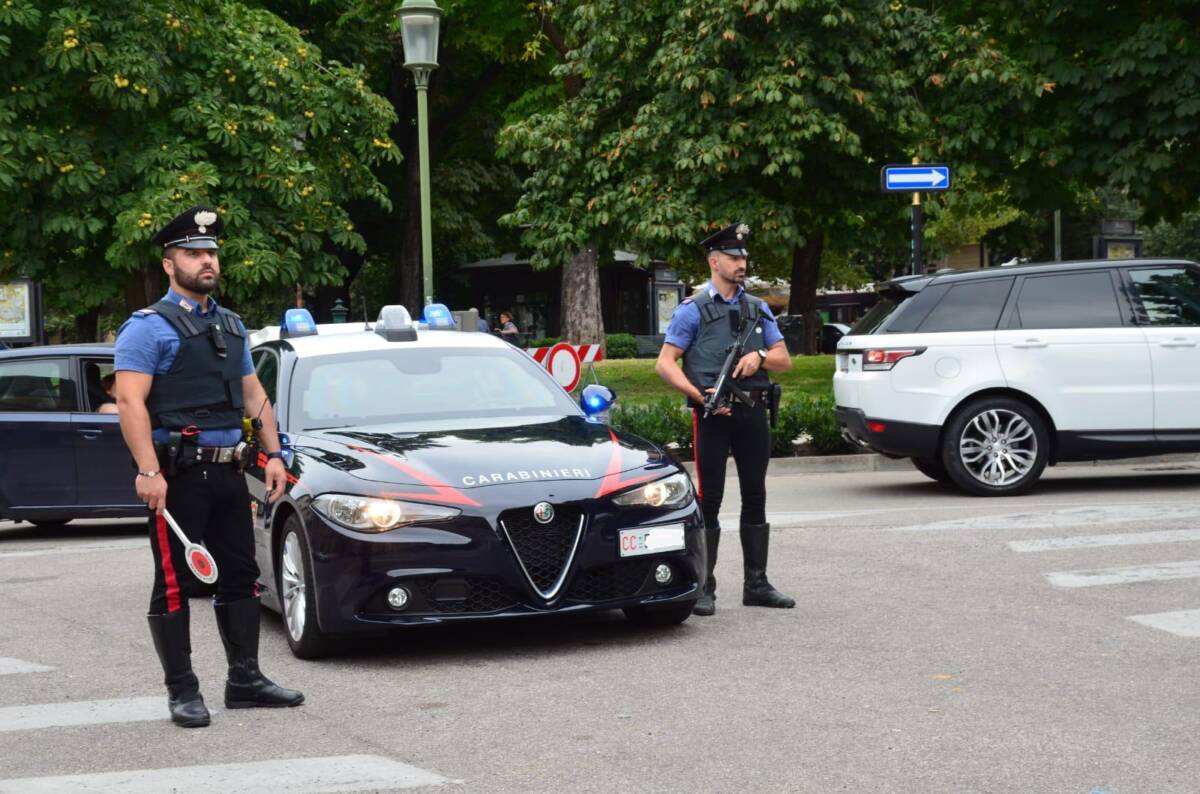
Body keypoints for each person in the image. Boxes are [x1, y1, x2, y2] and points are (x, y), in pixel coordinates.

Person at [114, 205, 303, 728]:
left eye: (211, 253)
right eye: (193, 253)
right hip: (177, 476)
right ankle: (183, 691)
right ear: (169, 264)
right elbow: (130, 402)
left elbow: (253, 395)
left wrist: (274, 454)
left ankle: (245, 680)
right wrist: (148, 471)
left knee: (242, 575)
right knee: (175, 583)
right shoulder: (147, 328)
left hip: (228, 471)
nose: (206, 261)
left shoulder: (231, 324)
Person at [655, 221, 795, 616]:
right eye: (733, 257)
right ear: (714, 262)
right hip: (712, 413)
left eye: (743, 257)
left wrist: (760, 356)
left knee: (756, 493)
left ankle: (757, 584)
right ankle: (705, 586)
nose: (741, 263)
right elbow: (665, 363)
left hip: (752, 412)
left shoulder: (758, 308)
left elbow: (784, 359)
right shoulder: (693, 310)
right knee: (710, 498)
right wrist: (699, 395)